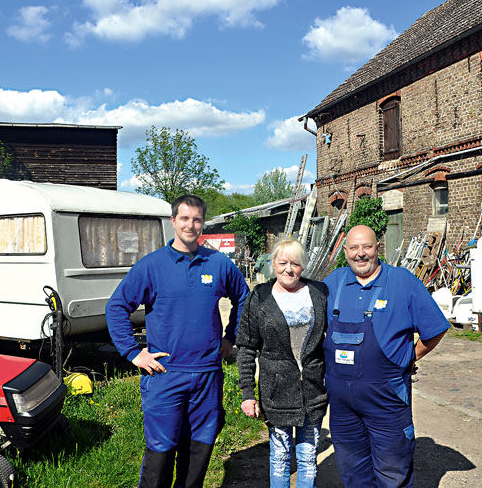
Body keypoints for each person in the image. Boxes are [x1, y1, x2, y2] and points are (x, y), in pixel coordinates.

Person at [105, 194, 250, 488]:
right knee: (161, 450)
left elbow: (245, 298)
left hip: (208, 374)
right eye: (184, 218)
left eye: (197, 219)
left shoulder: (219, 264)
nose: (190, 225)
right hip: (165, 375)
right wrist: (133, 353)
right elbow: (116, 307)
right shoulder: (152, 266)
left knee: (199, 448)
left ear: (203, 224)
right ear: (173, 221)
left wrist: (231, 337)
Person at [323, 225, 450, 487]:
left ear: (378, 247)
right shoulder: (333, 283)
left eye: (366, 247)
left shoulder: (402, 282)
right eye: (354, 248)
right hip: (342, 407)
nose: (361, 254)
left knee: (393, 472)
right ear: (345, 251)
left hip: (387, 402)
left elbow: (435, 330)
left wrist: (409, 357)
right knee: (353, 472)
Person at [236, 238, 329, 488]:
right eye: (283, 262)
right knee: (280, 457)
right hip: (276, 392)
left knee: (308, 457)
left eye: (295, 263)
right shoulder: (260, 297)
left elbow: (332, 340)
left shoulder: (319, 293)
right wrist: (247, 393)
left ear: (303, 266)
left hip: (312, 390)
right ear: (273, 264)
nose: (289, 269)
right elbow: (246, 348)